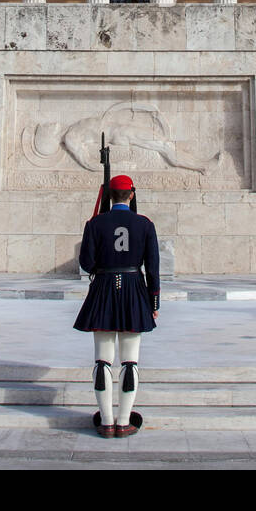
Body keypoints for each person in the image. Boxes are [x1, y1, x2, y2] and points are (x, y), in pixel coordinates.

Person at [73, 174, 160, 438]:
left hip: (104, 289)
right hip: (134, 287)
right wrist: (153, 300)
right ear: (131, 195)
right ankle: (124, 421)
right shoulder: (144, 224)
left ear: (109, 196)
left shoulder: (96, 223)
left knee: (102, 361)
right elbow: (153, 269)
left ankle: (106, 421)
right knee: (130, 361)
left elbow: (86, 263)